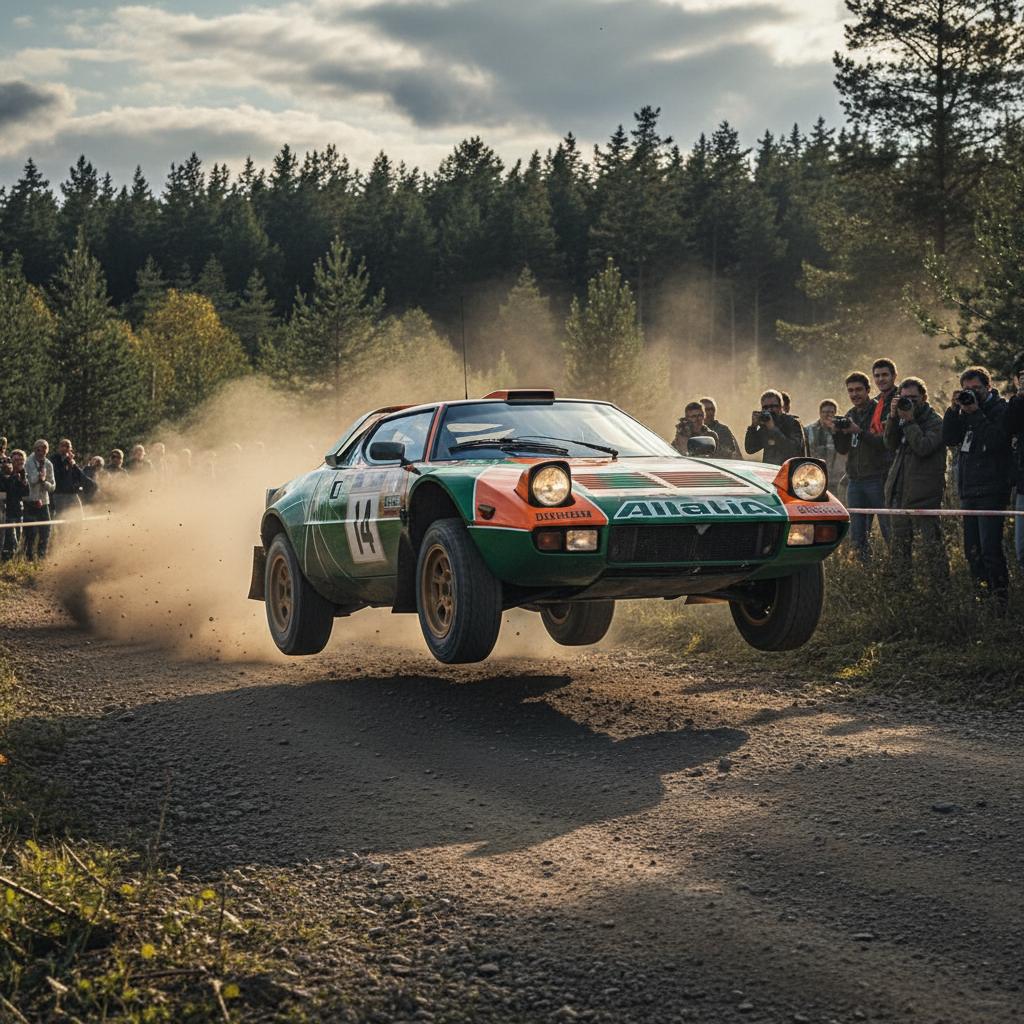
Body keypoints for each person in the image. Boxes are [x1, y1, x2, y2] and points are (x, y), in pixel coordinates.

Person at [942, 365, 1012, 611]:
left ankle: (1000, 604)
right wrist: (953, 410)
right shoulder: (964, 409)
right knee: (972, 551)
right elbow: (949, 439)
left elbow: (996, 441)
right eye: (966, 389)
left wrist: (975, 413)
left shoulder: (1000, 409)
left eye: (976, 388)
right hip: (969, 489)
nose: (972, 393)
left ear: (988, 387)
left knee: (990, 549)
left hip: (992, 489)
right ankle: (982, 602)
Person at [883, 377, 947, 576]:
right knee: (899, 550)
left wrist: (909, 421)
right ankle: (902, 589)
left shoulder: (935, 421)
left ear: (924, 397)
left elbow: (923, 447)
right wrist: (893, 418)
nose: (908, 402)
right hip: (900, 493)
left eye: (913, 398)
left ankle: (940, 589)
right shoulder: (901, 418)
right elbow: (890, 444)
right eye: (904, 398)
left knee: (932, 548)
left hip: (924, 495)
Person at [834, 371, 891, 559]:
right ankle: (865, 568)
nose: (854, 394)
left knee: (888, 528)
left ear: (868, 390)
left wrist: (858, 431)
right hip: (855, 480)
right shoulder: (850, 414)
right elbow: (842, 449)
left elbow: (884, 444)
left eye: (858, 390)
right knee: (857, 535)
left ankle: (898, 566)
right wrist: (837, 432)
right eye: (850, 391)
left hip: (877, 477)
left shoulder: (880, 411)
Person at [744, 389, 805, 465]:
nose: (769, 410)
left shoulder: (792, 423)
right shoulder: (766, 425)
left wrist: (773, 429)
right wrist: (753, 427)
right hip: (770, 470)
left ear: (780, 407)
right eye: (765, 407)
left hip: (790, 469)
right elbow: (750, 449)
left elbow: (793, 451)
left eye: (773, 406)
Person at [23, 439, 55, 561]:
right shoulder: (28, 461)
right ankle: (29, 557)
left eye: (44, 449)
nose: (41, 451)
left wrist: (44, 482)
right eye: (39, 449)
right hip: (30, 500)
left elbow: (52, 486)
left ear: (47, 450)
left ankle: (42, 555)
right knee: (30, 532)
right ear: (34, 449)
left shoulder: (49, 464)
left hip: (44, 501)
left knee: (46, 529)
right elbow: (31, 480)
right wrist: (39, 476)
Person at [1006, 353, 1024, 570]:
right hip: (1023, 486)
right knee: (1022, 550)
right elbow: (1009, 428)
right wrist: (1019, 398)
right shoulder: (1017, 403)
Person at [805, 400, 846, 491]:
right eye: (825, 412)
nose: (828, 415)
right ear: (820, 413)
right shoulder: (808, 430)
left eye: (831, 412)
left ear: (835, 413)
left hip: (837, 478)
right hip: (814, 477)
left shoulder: (842, 431)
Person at [51, 437, 92, 521]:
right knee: (61, 518)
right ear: (59, 448)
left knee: (79, 517)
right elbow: (59, 474)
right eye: (63, 446)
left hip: (72, 493)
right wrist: (67, 461)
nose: (65, 448)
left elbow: (80, 475)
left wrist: (73, 464)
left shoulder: (71, 461)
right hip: (59, 494)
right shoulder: (54, 459)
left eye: (67, 446)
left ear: (71, 449)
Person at [0, 451, 28, 561]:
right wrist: (9, 475)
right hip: (6, 512)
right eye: (16, 460)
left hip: (18, 510)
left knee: (18, 539)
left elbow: (26, 492)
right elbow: (5, 489)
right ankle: (7, 562)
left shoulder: (22, 474)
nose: (19, 462)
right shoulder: (4, 474)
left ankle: (12, 562)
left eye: (21, 460)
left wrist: (22, 478)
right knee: (11, 541)